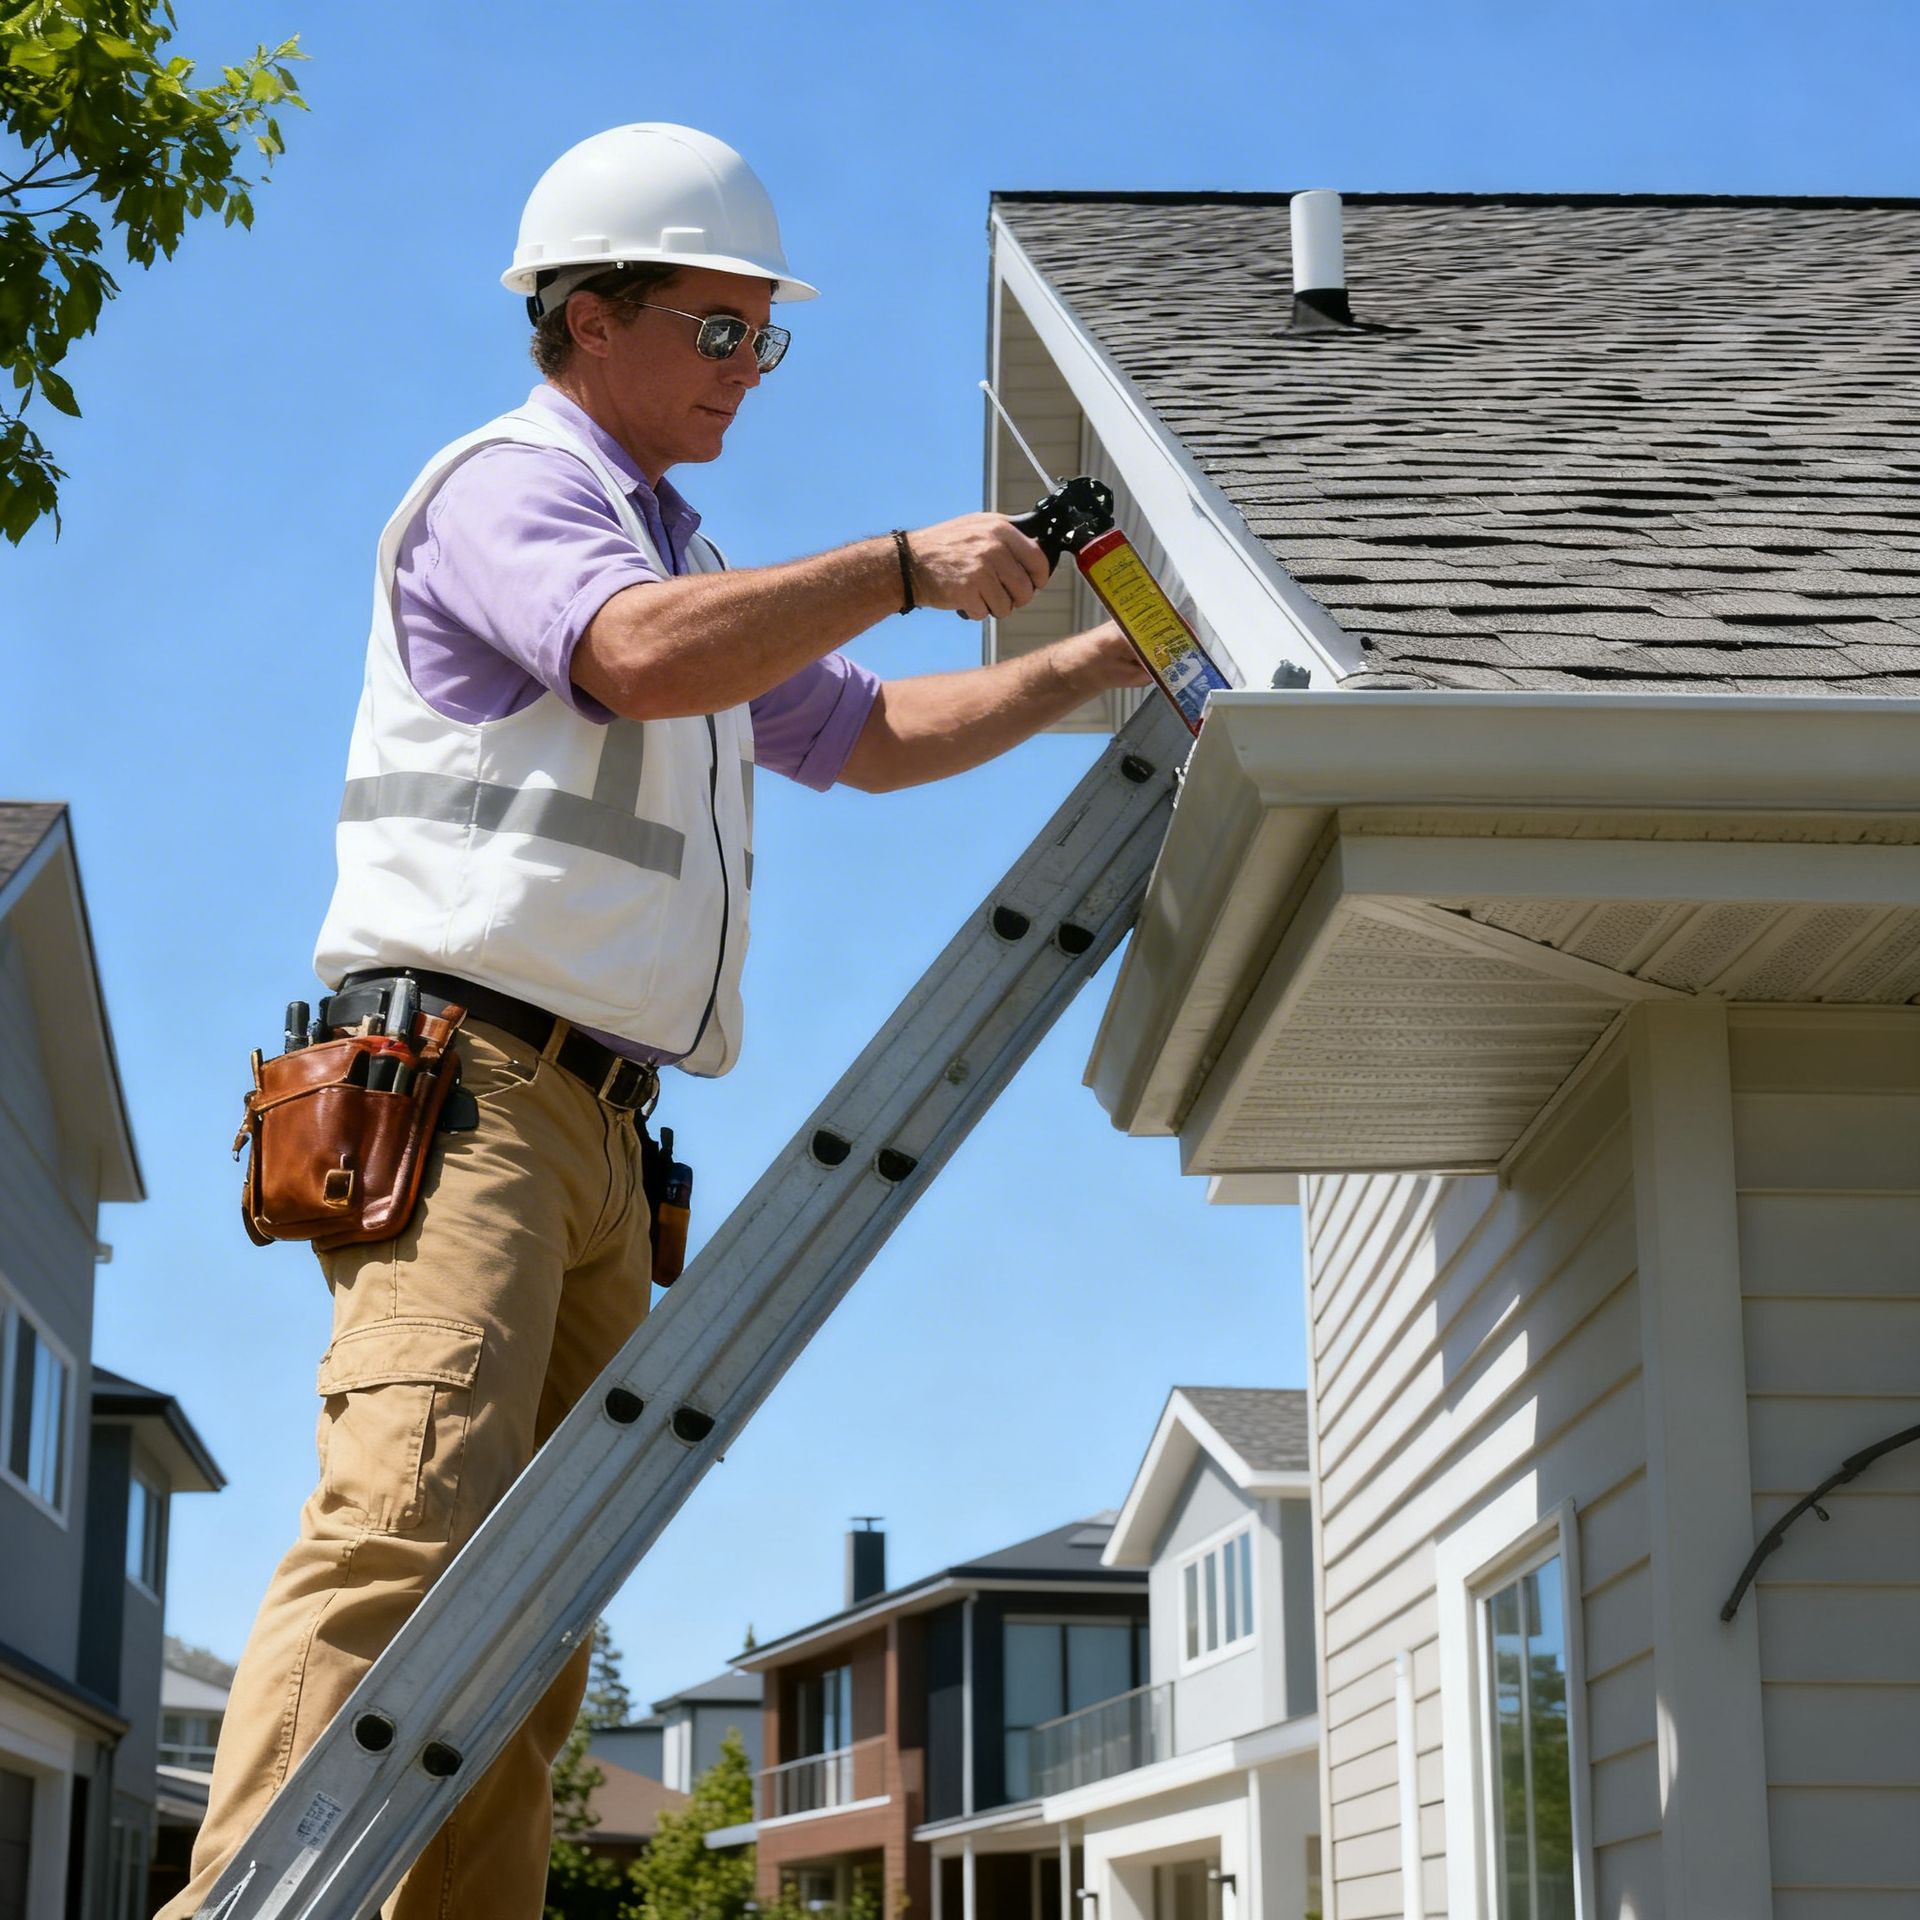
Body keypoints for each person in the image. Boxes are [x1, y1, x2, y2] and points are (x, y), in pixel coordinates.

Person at [161, 123, 1146, 1919]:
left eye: (764, 340)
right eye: (717, 330)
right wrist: (905, 567)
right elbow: (631, 658)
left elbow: (870, 739)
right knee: (407, 1537)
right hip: (465, 1104)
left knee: (526, 1627)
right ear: (585, 317)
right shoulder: (513, 496)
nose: (746, 373)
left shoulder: (671, 548)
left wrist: (1091, 664)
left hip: (597, 1132)